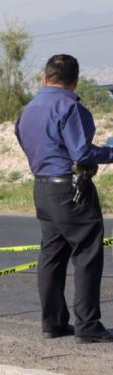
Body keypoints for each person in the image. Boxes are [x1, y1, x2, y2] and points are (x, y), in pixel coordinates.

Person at [15, 54, 113, 343]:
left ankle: (54, 323)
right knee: (87, 253)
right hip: (70, 188)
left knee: (52, 255)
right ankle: (88, 325)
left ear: (45, 78)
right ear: (75, 80)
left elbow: (24, 140)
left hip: (42, 188)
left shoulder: (28, 109)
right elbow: (82, 153)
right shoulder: (70, 107)